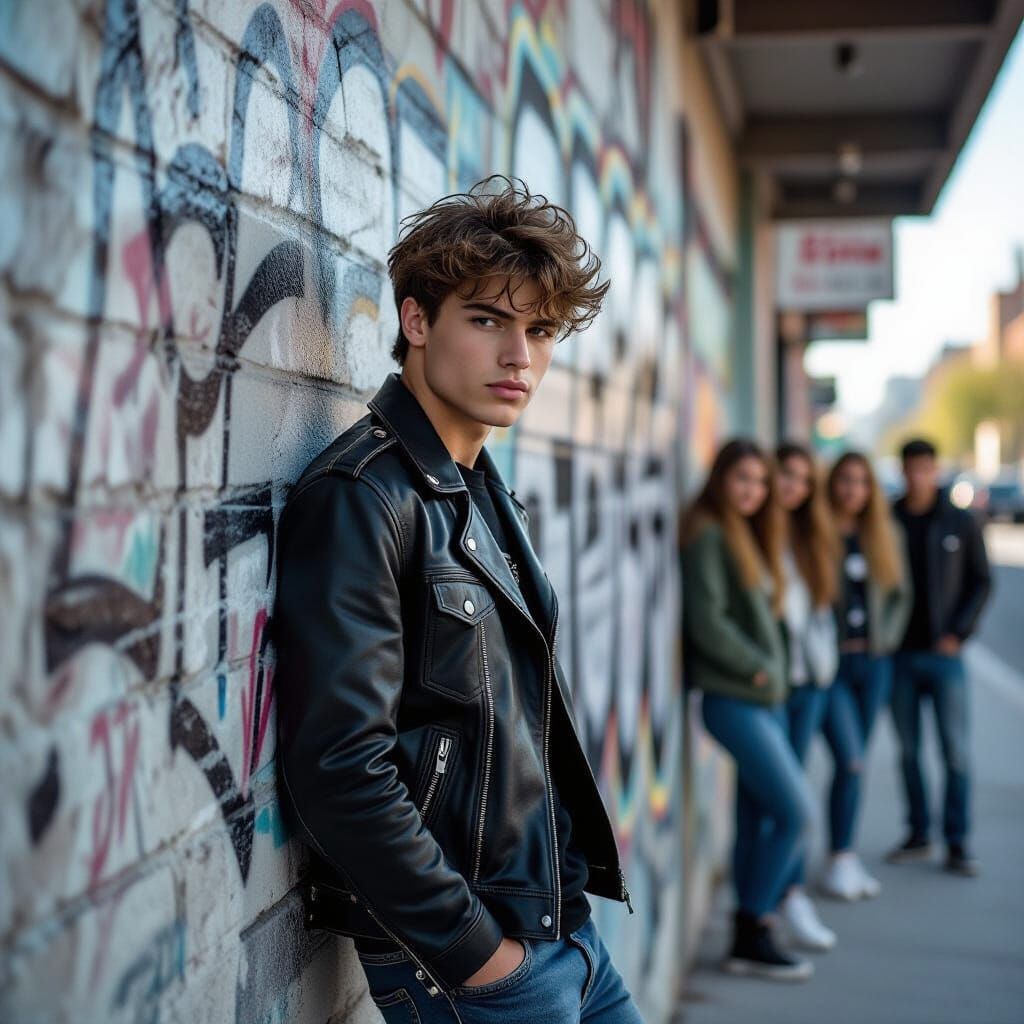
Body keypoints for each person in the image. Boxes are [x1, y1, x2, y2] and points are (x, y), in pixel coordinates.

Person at [273, 176, 644, 1022]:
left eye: (540, 331)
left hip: (566, 934)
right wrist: (479, 954)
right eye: (488, 321)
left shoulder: (477, 489)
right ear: (416, 322)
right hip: (482, 964)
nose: (520, 357)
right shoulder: (362, 496)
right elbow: (337, 765)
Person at [681, 440, 815, 982]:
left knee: (758, 817)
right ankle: (754, 924)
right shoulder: (709, 534)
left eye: (760, 483)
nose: (753, 491)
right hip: (736, 699)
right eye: (743, 480)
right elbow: (707, 619)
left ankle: (749, 936)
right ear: (721, 479)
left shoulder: (744, 533)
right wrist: (759, 666)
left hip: (765, 699)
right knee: (795, 812)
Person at [888, 438, 992, 876]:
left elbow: (981, 581)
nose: (918, 476)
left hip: (944, 655)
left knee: (955, 753)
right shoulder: (888, 519)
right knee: (909, 752)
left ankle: (957, 841)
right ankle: (918, 833)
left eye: (925, 468)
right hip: (898, 657)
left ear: (935, 469)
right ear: (903, 470)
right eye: (911, 469)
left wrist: (959, 633)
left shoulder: (959, 521)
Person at [819, 452, 911, 900]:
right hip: (832, 668)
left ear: (871, 489)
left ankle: (844, 857)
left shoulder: (884, 533)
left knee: (855, 767)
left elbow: (900, 595)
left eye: (861, 482)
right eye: (845, 481)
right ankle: (836, 858)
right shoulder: (818, 533)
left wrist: (885, 640)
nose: (852, 490)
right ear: (833, 484)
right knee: (850, 759)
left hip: (873, 665)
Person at [772, 442, 840, 952]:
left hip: (810, 682)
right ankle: (782, 895)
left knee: (793, 789)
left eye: (803, 478)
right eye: (786, 476)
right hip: (776, 683)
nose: (793, 486)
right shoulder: (757, 531)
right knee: (783, 798)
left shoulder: (814, 538)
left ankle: (789, 895)